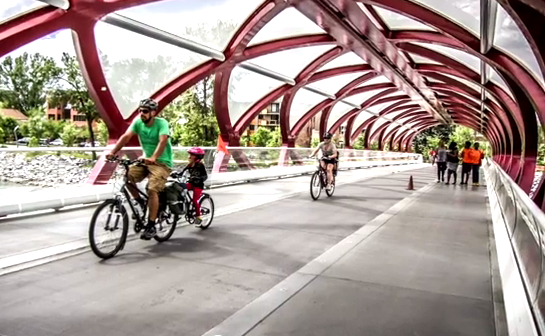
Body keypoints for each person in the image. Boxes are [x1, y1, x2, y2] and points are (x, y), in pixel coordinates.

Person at [106, 98, 173, 240]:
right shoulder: (138, 122)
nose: (141, 113)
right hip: (145, 161)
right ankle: (141, 201)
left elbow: (162, 141)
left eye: (145, 111)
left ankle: (151, 225)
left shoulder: (162, 124)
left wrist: (154, 157)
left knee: (152, 189)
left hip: (162, 163)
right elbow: (125, 137)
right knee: (128, 176)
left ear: (153, 113)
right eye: (140, 110)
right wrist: (113, 152)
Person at [180, 147, 208, 226]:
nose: (189, 156)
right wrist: (177, 174)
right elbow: (182, 172)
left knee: (195, 200)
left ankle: (198, 217)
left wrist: (199, 178)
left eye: (191, 155)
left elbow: (205, 176)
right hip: (191, 183)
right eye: (189, 154)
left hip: (198, 185)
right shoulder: (190, 165)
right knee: (180, 187)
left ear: (197, 157)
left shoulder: (200, 165)